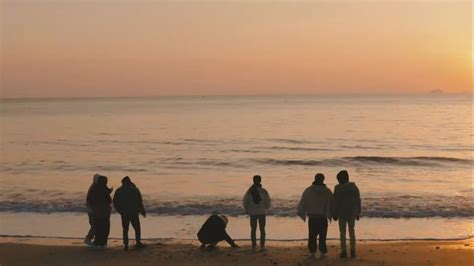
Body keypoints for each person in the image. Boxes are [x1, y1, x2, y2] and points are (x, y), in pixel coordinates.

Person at [297, 173, 333, 259]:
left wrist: (302, 212)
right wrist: (332, 214)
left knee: (312, 236)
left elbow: (303, 202)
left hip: (312, 217)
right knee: (323, 236)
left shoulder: (308, 190)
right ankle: (323, 252)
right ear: (323, 180)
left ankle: (312, 252)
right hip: (322, 217)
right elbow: (331, 204)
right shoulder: (327, 191)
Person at [113, 176, 147, 251]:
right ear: (129, 181)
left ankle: (126, 244)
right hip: (133, 212)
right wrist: (142, 211)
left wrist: (120, 211)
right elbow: (139, 201)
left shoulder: (119, 190)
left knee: (125, 229)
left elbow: (115, 202)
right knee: (137, 228)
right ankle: (138, 243)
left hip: (124, 213)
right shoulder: (134, 189)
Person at [333, 170, 361, 259]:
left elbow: (335, 202)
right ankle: (353, 251)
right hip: (352, 212)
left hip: (342, 213)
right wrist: (358, 212)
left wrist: (334, 213)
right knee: (352, 232)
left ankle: (344, 251)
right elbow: (358, 200)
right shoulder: (354, 187)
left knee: (342, 233)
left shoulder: (337, 188)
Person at [243, 175, 271, 251]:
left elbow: (245, 201)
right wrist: (265, 208)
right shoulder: (264, 191)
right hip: (262, 212)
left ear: (253, 181)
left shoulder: (249, 191)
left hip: (253, 213)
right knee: (262, 229)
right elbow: (268, 202)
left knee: (253, 229)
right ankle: (262, 246)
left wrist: (247, 210)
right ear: (260, 181)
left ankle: (253, 246)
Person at [87, 175, 112, 248]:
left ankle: (97, 243)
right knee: (105, 228)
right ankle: (103, 243)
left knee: (98, 227)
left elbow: (90, 200)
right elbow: (109, 200)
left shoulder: (93, 188)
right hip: (104, 212)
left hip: (96, 212)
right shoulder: (104, 189)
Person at [84, 174, 101, 245]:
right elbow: (90, 200)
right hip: (92, 210)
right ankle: (88, 238)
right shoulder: (94, 187)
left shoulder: (93, 187)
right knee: (95, 225)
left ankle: (91, 239)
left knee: (95, 225)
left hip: (91, 209)